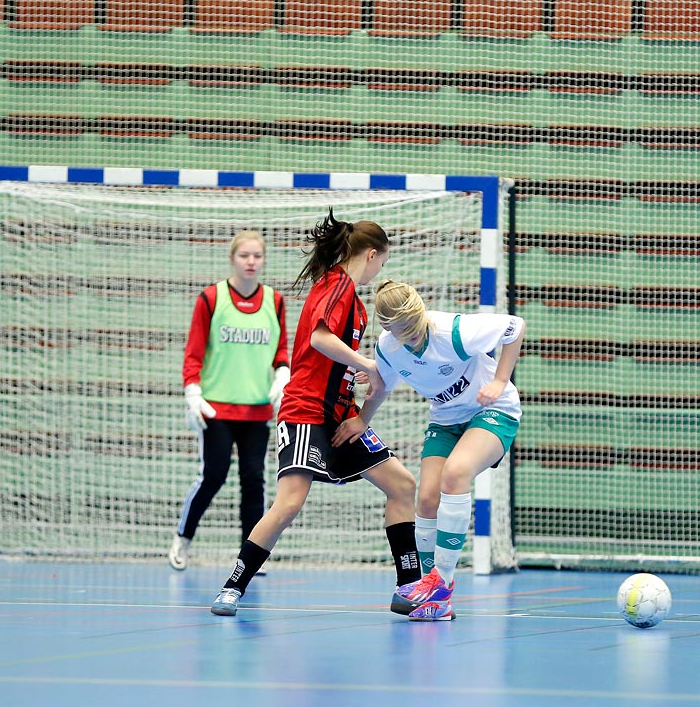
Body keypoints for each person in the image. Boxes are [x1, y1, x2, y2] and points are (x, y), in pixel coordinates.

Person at [209, 210, 420, 617]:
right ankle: (232, 586)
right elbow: (320, 339)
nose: (380, 271)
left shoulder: (354, 301)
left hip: (341, 415)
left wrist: (358, 398)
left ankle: (409, 587)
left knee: (401, 484)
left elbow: (333, 356)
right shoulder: (337, 283)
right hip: (306, 410)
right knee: (289, 503)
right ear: (372, 255)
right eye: (383, 262)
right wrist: (367, 365)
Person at [362, 280, 526, 622]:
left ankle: (442, 584)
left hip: (493, 410)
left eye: (415, 325)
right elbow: (381, 387)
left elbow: (514, 327)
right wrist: (361, 421)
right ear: (387, 327)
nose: (414, 335)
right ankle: (433, 597)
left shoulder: (454, 331)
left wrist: (498, 380)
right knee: (426, 498)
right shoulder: (389, 348)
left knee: (455, 474)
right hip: (446, 418)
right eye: (402, 330)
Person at [168, 230, 290, 570]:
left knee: (254, 480)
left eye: (257, 256)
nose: (251, 262)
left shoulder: (275, 301)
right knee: (213, 475)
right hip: (216, 409)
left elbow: (280, 351)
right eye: (244, 255)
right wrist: (192, 391)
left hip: (257, 411)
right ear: (232, 259)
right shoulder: (211, 298)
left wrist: (282, 373)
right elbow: (193, 353)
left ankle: (250, 556)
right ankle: (182, 537)